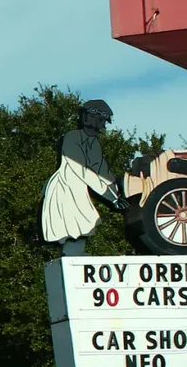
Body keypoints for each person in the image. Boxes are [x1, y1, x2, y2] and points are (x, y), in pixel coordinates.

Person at [41, 100, 125, 255]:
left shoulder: (94, 143)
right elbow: (82, 170)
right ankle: (71, 255)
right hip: (66, 188)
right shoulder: (72, 137)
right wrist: (110, 196)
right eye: (95, 119)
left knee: (84, 224)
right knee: (73, 224)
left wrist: (118, 190)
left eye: (101, 121)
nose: (97, 124)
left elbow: (102, 169)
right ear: (85, 118)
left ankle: (75, 254)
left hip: (80, 190)